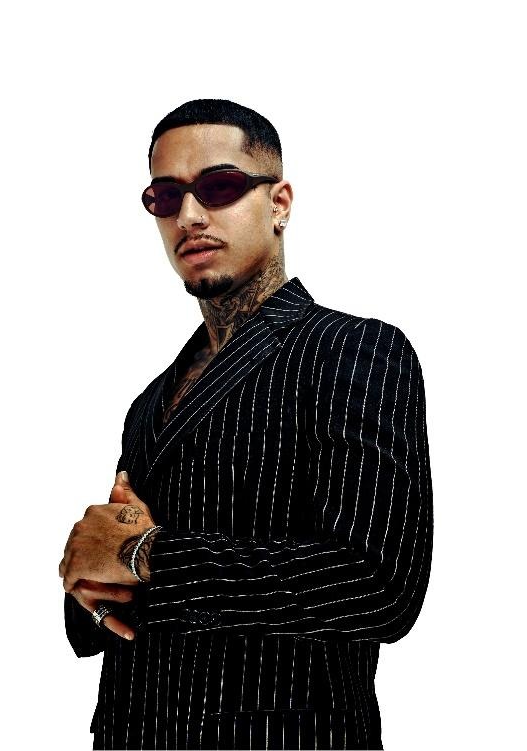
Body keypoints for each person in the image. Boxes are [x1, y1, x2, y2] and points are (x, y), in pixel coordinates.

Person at [60, 99, 434, 751]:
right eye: (165, 196)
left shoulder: (353, 349)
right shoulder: (149, 401)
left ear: (279, 202)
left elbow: (377, 584)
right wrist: (86, 583)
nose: (189, 215)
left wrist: (145, 556)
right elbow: (116, 598)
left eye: (220, 186)